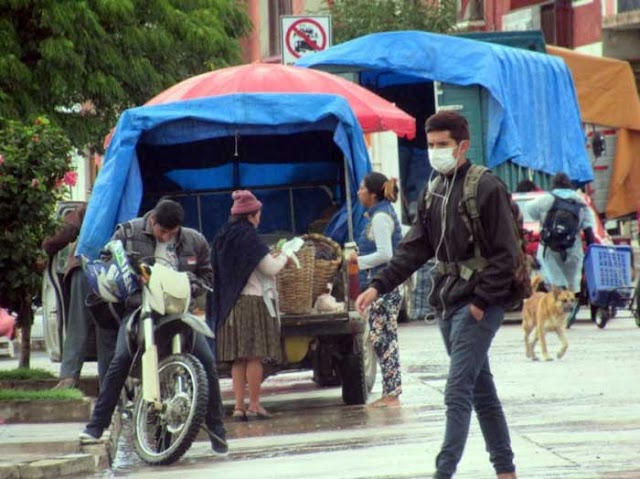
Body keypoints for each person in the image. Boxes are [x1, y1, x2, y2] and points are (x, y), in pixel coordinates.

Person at [356, 111, 519, 479]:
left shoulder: (487, 187)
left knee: (456, 391)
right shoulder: (435, 189)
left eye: (442, 145)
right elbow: (415, 249)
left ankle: (442, 473)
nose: (435, 152)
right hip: (447, 303)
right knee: (482, 392)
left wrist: (480, 303)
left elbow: (506, 255)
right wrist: (377, 285)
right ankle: (506, 472)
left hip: (477, 305)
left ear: (463, 146)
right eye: (430, 145)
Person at [79, 199, 228, 456]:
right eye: (162, 232)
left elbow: (207, 276)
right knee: (121, 360)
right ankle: (96, 426)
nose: (167, 237)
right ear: (152, 221)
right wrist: (125, 274)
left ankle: (218, 433)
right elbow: (106, 261)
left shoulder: (195, 240)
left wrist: (194, 285)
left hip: (179, 312)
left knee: (206, 363)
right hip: (140, 309)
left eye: (172, 233)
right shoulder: (127, 233)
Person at [210, 190, 288, 422]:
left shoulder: (222, 236)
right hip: (252, 302)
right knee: (254, 356)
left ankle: (238, 407)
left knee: (238, 358)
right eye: (258, 214)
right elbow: (270, 269)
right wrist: (285, 256)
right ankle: (254, 405)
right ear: (252, 216)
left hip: (229, 304)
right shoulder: (249, 237)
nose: (259, 218)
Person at [42, 204, 117, 389]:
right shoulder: (133, 205)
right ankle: (108, 385)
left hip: (84, 267)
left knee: (78, 324)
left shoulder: (92, 207)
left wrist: (44, 247)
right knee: (107, 329)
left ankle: (68, 378)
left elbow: (66, 231)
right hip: (115, 273)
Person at [352, 172, 404, 408]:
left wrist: (357, 262)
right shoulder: (376, 214)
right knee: (381, 338)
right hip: (381, 285)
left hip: (384, 286)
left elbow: (386, 254)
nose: (358, 192)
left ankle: (392, 394)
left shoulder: (381, 217)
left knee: (384, 339)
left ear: (372, 194)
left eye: (362, 188)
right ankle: (390, 392)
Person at [523, 172, 596, 325]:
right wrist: (590, 246)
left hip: (550, 246)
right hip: (572, 245)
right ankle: (571, 304)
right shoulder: (580, 201)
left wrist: (543, 217)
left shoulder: (547, 199)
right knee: (572, 279)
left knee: (554, 276)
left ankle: (559, 309)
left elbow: (528, 210)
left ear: (554, 184)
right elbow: (589, 226)